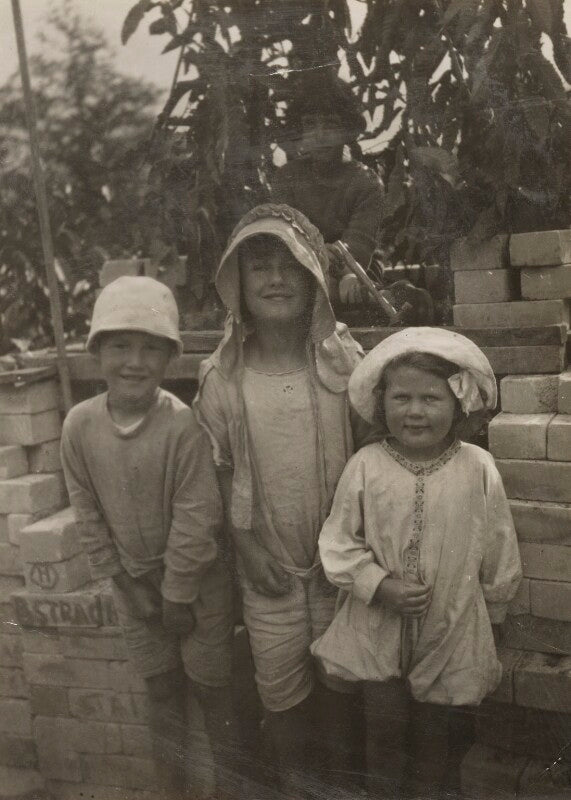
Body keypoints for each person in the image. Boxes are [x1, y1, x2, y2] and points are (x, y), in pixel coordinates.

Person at [194, 203, 364, 797]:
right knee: (283, 692)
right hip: (268, 566)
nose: (274, 279)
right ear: (234, 285)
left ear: (315, 278)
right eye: (258, 267)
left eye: (289, 266)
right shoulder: (223, 378)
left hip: (343, 566)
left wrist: (358, 552)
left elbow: (372, 448)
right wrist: (244, 545)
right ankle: (295, 784)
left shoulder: (343, 360)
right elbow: (217, 469)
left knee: (343, 683)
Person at [311, 327, 522, 799]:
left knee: (434, 735)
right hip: (377, 625)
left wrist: (497, 612)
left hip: (449, 625)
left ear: (459, 404)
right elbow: (338, 542)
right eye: (401, 397)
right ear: (382, 402)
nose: (415, 411)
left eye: (431, 398)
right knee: (383, 731)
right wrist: (378, 584)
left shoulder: (477, 467)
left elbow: (499, 545)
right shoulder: (367, 464)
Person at [60, 276, 236, 799]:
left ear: (169, 359)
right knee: (160, 691)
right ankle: (171, 789)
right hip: (133, 585)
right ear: (96, 353)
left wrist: (178, 592)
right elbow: (87, 512)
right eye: (120, 347)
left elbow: (197, 515)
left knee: (213, 691)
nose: (134, 362)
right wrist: (122, 580)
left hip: (198, 587)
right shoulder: (79, 426)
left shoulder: (182, 427)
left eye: (150, 350)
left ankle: (230, 786)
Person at [272, 74, 384, 306]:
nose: (319, 135)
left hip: (355, 275)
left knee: (358, 294)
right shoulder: (287, 179)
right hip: (303, 272)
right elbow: (284, 238)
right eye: (310, 124)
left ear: (349, 130)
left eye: (331, 124)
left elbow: (360, 245)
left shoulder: (365, 182)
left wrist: (343, 273)